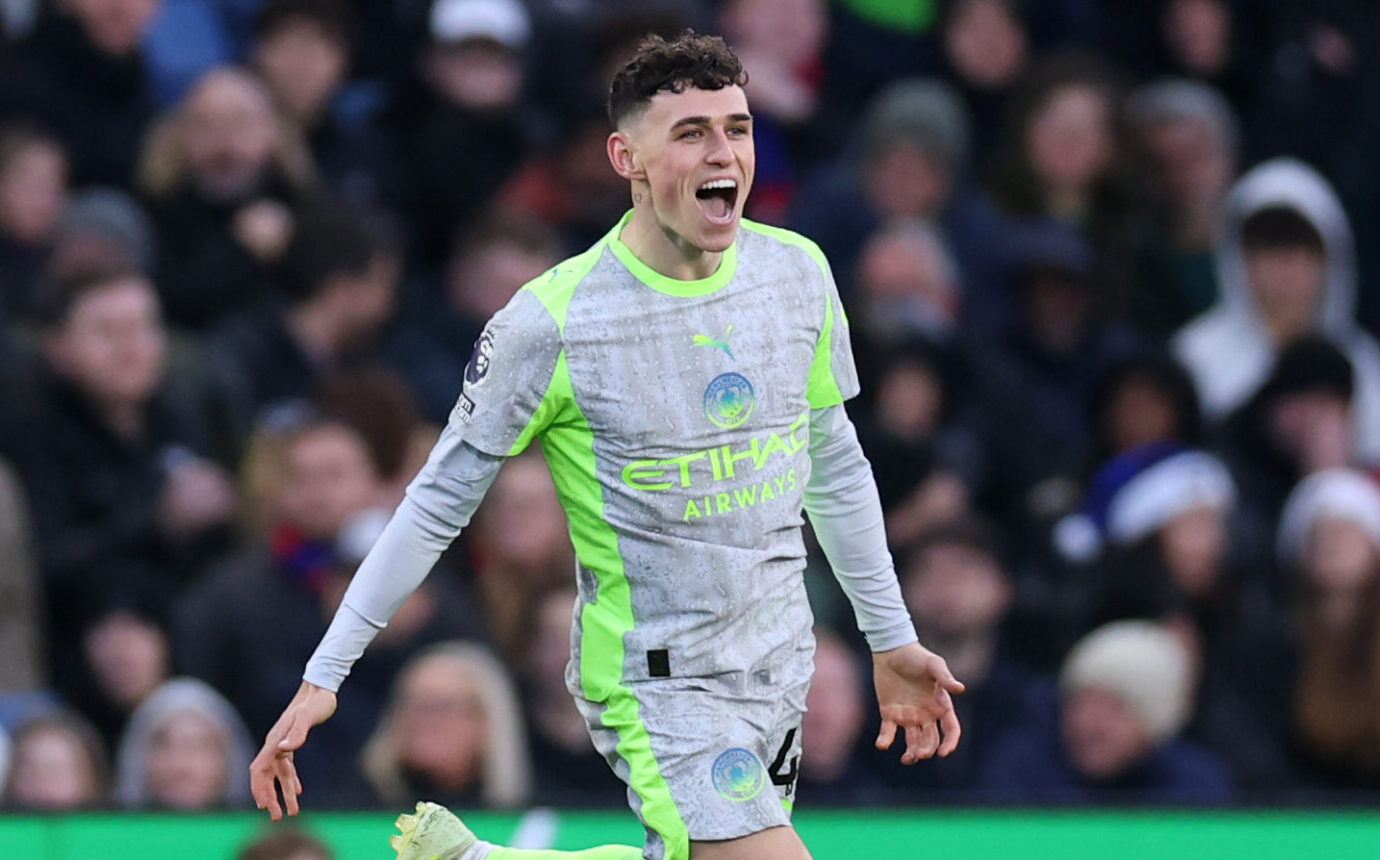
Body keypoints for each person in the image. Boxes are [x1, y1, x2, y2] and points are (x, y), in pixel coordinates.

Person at [250, 31, 963, 860]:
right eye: (690, 132)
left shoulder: (797, 273)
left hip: (777, 658)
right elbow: (437, 500)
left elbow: (834, 466)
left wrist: (890, 637)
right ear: (626, 156)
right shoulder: (554, 322)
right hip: (658, 677)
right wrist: (326, 672)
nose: (722, 150)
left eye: (736, 127)